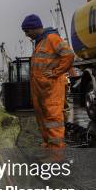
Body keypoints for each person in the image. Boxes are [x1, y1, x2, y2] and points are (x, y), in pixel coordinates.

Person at [21, 14, 74, 148]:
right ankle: (48, 145)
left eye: (27, 31)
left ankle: (56, 155)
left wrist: (56, 72)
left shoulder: (52, 38)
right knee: (43, 120)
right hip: (42, 91)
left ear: (34, 28)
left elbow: (68, 55)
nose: (26, 35)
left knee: (53, 120)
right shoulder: (40, 42)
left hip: (51, 91)